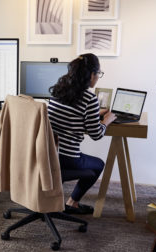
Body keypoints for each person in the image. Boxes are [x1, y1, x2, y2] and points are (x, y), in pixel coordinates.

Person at [47, 53, 116, 214]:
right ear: (91, 74)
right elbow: (96, 134)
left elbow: (71, 113)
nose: (98, 77)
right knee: (98, 165)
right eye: (98, 73)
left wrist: (94, 113)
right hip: (69, 159)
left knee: (91, 165)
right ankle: (73, 202)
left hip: (49, 154)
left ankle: (61, 200)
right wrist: (106, 120)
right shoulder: (89, 99)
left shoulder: (58, 91)